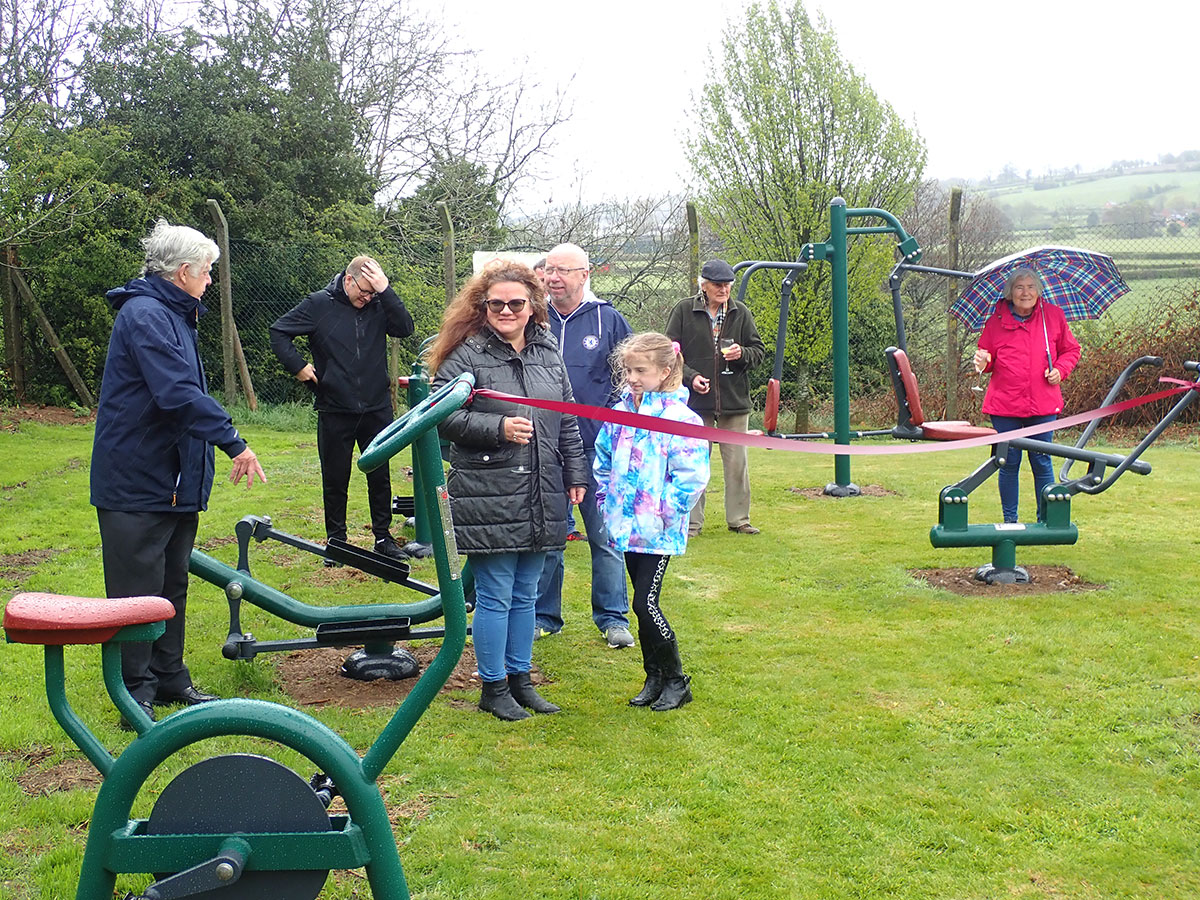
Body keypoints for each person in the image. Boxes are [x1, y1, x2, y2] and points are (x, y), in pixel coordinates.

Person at [90, 218, 267, 726]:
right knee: (136, 592)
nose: (210, 280)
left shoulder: (174, 313)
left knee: (172, 583)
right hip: (137, 481)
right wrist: (233, 442)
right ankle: (135, 697)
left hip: (173, 482)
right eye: (208, 272)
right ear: (184, 271)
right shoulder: (146, 314)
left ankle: (169, 680)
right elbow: (175, 393)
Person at [426, 261, 589, 721]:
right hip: (487, 489)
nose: (506, 311)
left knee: (527, 592)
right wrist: (496, 427)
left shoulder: (548, 353)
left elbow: (568, 419)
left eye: (516, 303)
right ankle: (493, 686)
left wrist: (576, 475)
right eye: (496, 303)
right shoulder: (466, 354)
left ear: (533, 305)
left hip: (543, 487)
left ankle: (521, 680)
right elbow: (440, 414)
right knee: (496, 592)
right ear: (483, 306)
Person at [270, 256, 414, 562]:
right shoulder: (319, 305)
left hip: (376, 406)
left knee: (380, 475)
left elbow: (404, 328)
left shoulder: (378, 303)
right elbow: (278, 331)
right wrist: (297, 367)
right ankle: (337, 542)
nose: (367, 297)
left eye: (373, 293)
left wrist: (384, 290)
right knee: (335, 477)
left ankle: (383, 537)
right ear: (348, 280)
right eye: (364, 290)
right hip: (335, 406)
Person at [593, 333, 710, 711]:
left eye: (640, 370)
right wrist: (604, 499)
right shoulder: (621, 412)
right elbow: (603, 456)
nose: (632, 377)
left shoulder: (681, 419)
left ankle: (677, 679)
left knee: (645, 604)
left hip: (657, 531)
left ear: (664, 370)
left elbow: (691, 475)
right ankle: (654, 677)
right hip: (625, 527)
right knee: (640, 604)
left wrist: (666, 511)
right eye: (627, 370)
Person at [535, 242, 635, 647]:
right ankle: (543, 616)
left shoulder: (608, 319)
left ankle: (613, 619)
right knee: (548, 536)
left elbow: (629, 379)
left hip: (596, 449)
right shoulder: (533, 319)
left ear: (584, 275)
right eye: (549, 270)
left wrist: (606, 423)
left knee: (605, 537)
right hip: (544, 447)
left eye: (562, 270)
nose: (553, 277)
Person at [665, 259, 766, 536]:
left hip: (734, 403)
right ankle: (692, 524)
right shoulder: (684, 310)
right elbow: (670, 352)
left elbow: (758, 351)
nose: (724, 290)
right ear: (704, 286)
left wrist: (741, 354)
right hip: (696, 406)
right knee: (694, 464)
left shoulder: (740, 313)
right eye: (718, 285)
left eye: (728, 285)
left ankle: (739, 520)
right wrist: (690, 377)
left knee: (737, 465)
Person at [973, 267, 1081, 524]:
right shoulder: (995, 320)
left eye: (1031, 287)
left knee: (1042, 461)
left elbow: (1072, 350)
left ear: (1039, 291)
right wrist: (982, 360)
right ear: (1010, 292)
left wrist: (1060, 371)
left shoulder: (1053, 316)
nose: (1026, 292)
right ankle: (1010, 521)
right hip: (1004, 405)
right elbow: (986, 359)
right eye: (1020, 287)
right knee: (1008, 462)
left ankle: (1046, 520)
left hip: (1043, 404)